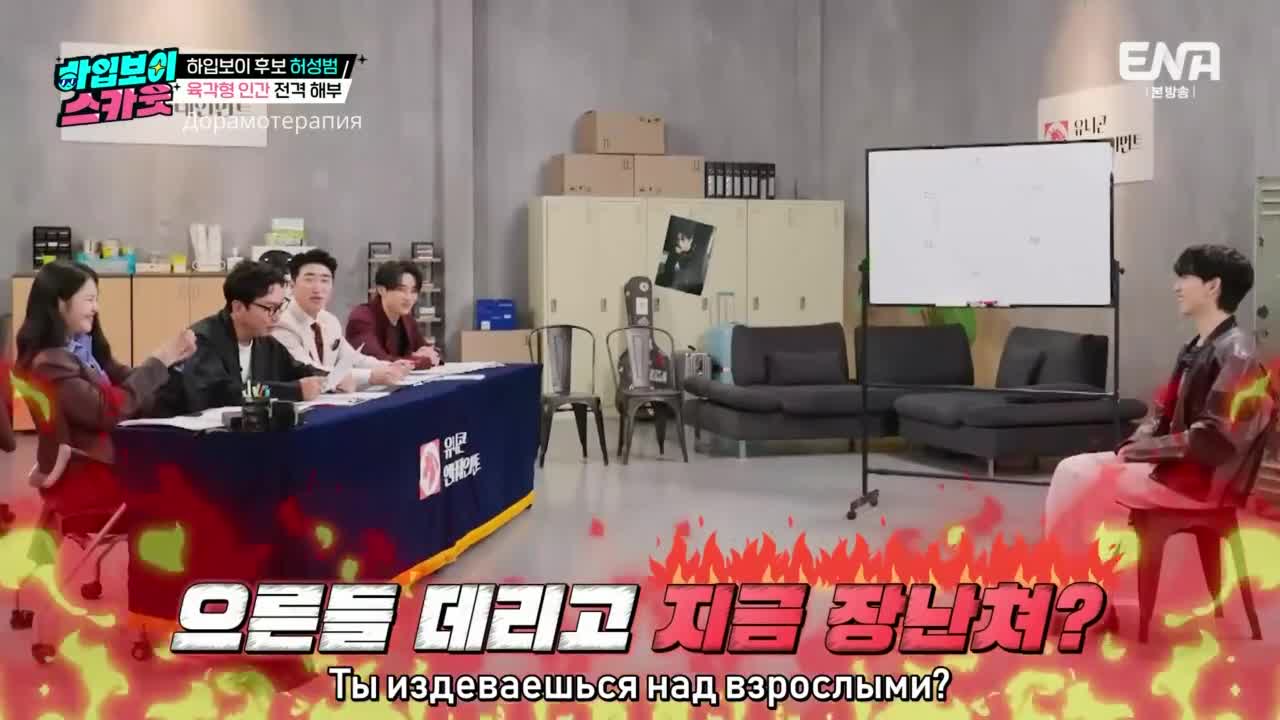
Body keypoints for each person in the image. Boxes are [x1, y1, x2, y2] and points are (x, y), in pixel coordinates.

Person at [1044, 245, 1277, 620]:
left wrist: (1139, 453)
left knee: (1078, 478)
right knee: (1071, 472)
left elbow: (1211, 439)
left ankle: (1083, 600)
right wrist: (1135, 445)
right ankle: (1077, 593)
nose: (1176, 286)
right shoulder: (1197, 346)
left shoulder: (1237, 353)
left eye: (1185, 277)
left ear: (1213, 286)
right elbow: (1162, 414)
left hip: (1197, 479)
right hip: (1176, 466)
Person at [14, 261, 195, 514]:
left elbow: (127, 382)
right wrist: (160, 360)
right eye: (89, 300)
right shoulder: (50, 363)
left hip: (109, 461)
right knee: (196, 478)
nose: (95, 309)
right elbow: (108, 411)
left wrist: (171, 364)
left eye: (96, 300)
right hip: (90, 474)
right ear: (60, 303)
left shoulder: (81, 347)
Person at [165, 260, 328, 413]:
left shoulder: (267, 343)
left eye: (280, 307)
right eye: (269, 308)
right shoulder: (202, 340)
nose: (277, 317)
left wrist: (329, 379)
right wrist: (293, 391)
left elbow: (298, 371)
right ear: (238, 308)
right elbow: (225, 393)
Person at [273, 249, 411, 388]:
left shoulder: (329, 320)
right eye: (309, 280)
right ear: (292, 285)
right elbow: (309, 371)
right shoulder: (282, 323)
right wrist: (370, 376)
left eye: (325, 280)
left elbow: (352, 359)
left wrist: (388, 366)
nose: (317, 288)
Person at [345, 260, 441, 369]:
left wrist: (432, 354)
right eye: (401, 290)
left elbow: (428, 350)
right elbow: (378, 361)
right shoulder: (361, 318)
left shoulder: (407, 319)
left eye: (413, 291)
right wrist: (423, 360)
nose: (408, 297)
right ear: (382, 290)